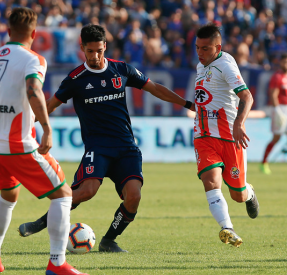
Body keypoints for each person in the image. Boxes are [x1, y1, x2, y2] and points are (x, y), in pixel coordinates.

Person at [18, 24, 195, 252]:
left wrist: (188, 104)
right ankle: (40, 222)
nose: (95, 56)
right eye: (90, 51)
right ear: (82, 48)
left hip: (125, 147)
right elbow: (49, 105)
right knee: (86, 192)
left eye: (99, 51)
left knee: (134, 197)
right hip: (98, 148)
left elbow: (155, 88)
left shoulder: (121, 69)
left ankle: (109, 240)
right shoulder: (75, 79)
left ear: (105, 47)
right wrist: (24, 125)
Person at [0, 8, 90, 275]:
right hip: (19, 144)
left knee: (9, 195)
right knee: (63, 194)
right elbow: (34, 89)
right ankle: (57, 263)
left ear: (8, 31)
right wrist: (46, 127)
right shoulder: (34, 59)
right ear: (34, 33)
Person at [193, 23, 259, 248]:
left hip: (230, 138)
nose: (200, 53)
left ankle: (249, 193)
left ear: (217, 47)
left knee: (237, 195)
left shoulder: (226, 66)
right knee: (210, 181)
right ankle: (227, 228)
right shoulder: (200, 67)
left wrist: (239, 123)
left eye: (205, 49)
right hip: (204, 136)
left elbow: (247, 97)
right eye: (197, 48)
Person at [260, 53, 287, 174]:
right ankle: (264, 163)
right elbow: (273, 94)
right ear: (280, 63)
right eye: (284, 62)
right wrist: (277, 111)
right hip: (280, 109)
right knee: (276, 138)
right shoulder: (277, 77)